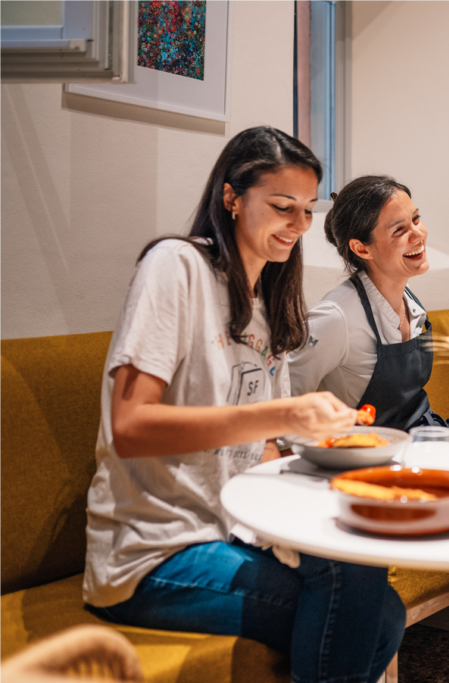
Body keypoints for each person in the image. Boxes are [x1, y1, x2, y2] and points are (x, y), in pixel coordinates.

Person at [83, 127, 405, 683]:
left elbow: (261, 449)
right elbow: (130, 426)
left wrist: (328, 461)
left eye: (307, 211)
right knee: (366, 611)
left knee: (371, 582)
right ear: (231, 197)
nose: (298, 227)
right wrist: (282, 416)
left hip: (230, 529)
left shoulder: (267, 301)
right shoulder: (177, 266)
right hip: (152, 551)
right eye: (283, 207)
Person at [288, 175, 449, 439]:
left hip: (428, 436)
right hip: (377, 456)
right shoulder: (335, 317)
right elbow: (286, 405)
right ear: (362, 249)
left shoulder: (410, 301)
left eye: (416, 220)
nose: (418, 234)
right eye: (399, 230)